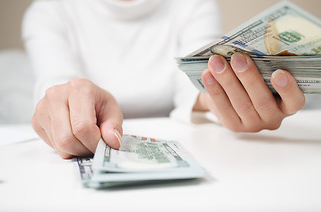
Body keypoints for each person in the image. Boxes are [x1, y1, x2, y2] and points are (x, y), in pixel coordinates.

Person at [22, 0, 305, 159]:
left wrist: (222, 97)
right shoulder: (49, 11)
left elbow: (192, 83)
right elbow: (56, 85)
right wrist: (64, 103)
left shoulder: (193, 5)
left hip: (194, 147)